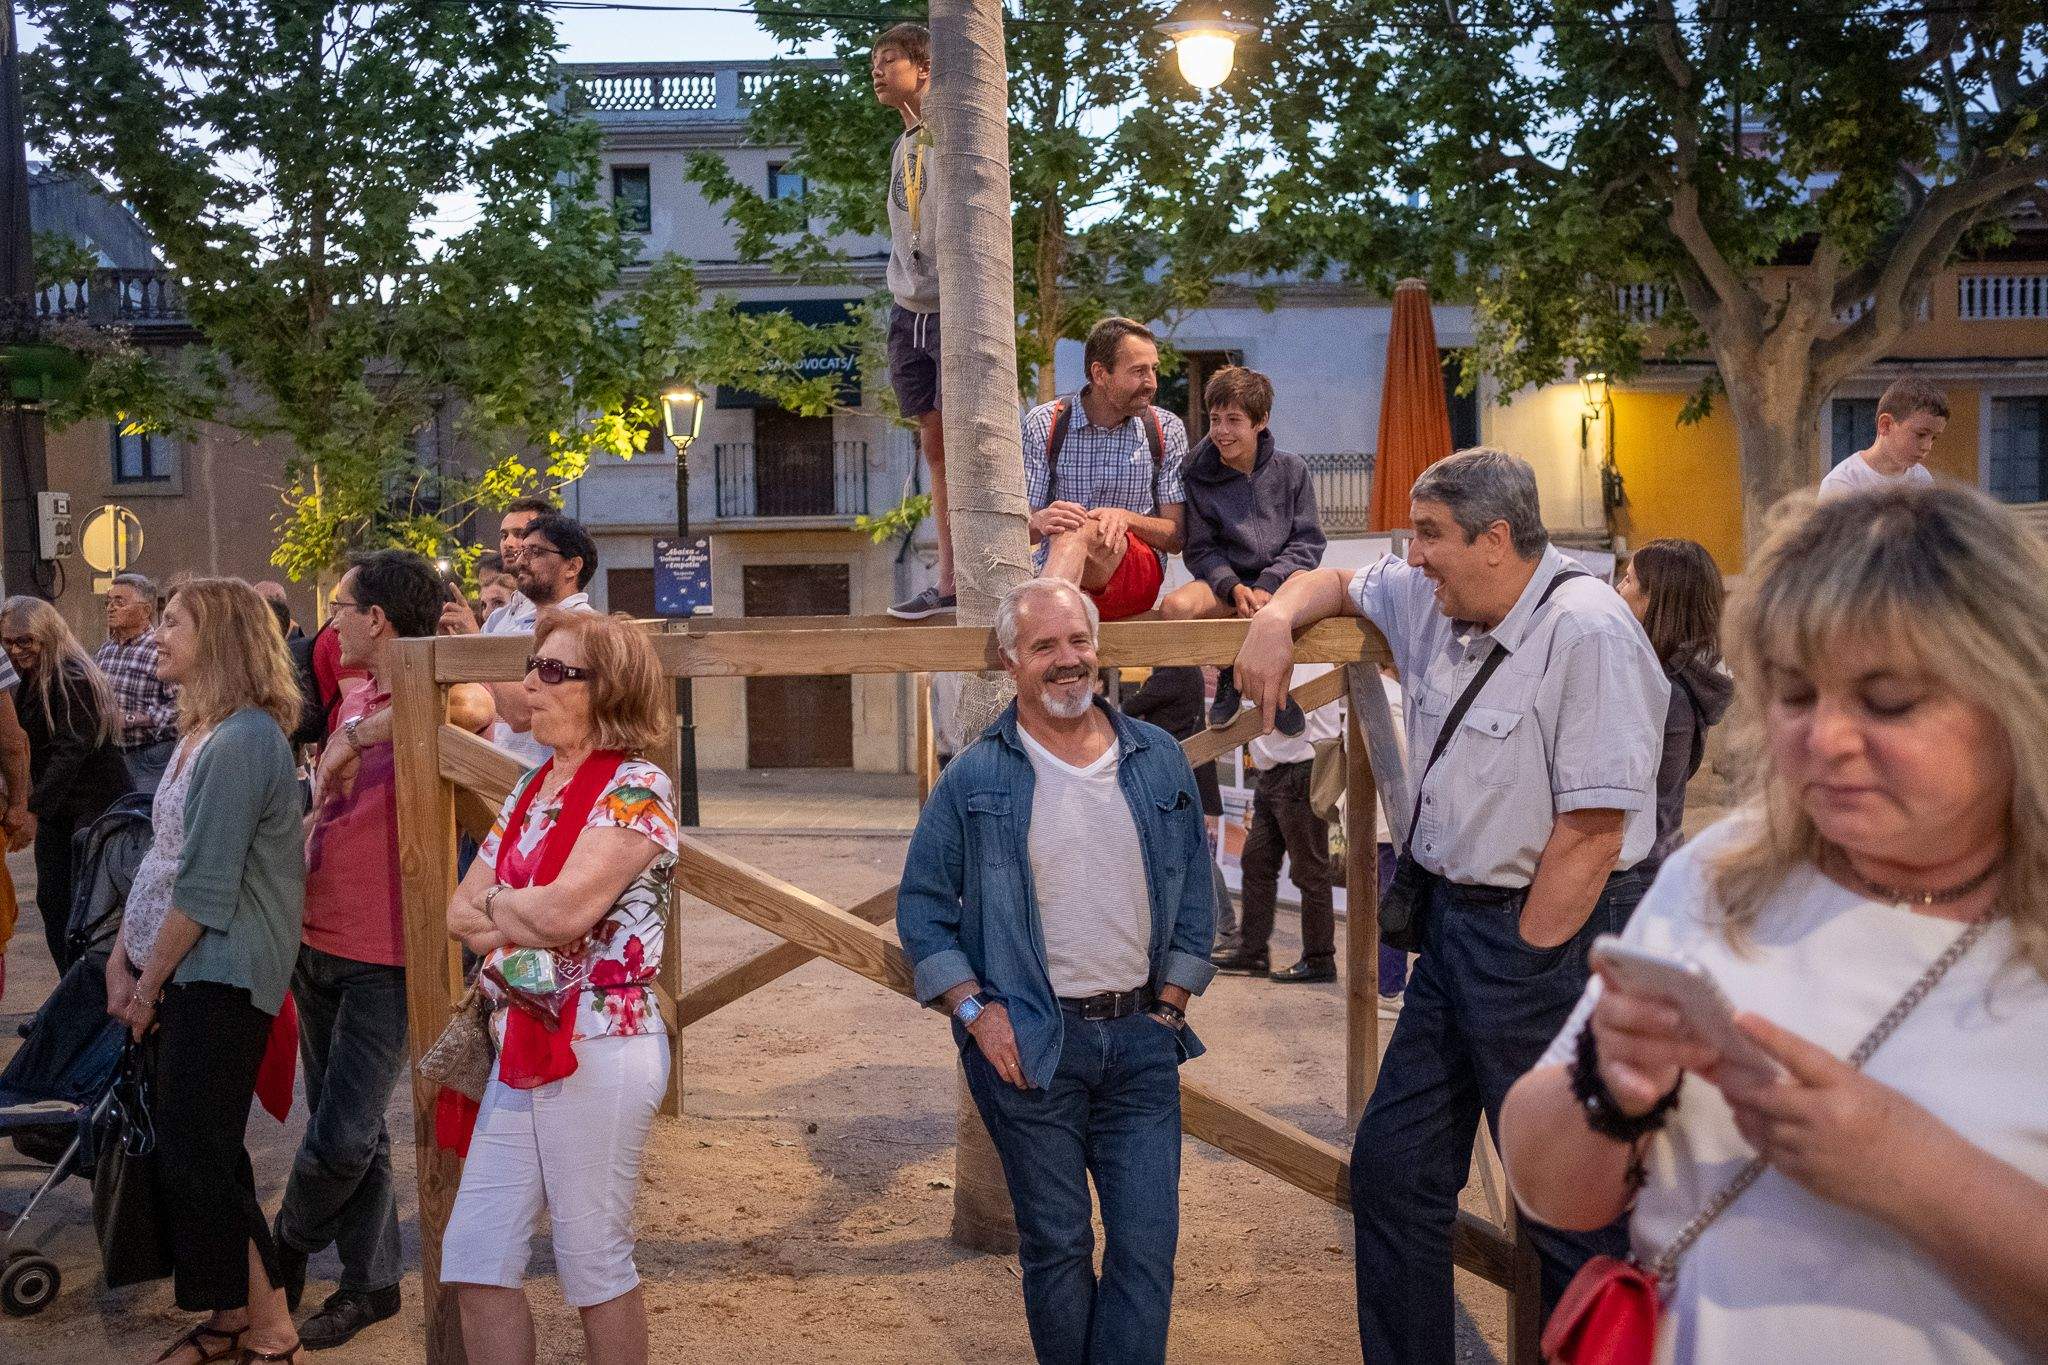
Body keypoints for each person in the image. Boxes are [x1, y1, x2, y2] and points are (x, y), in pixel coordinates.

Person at [1500, 485, 2048, 1362]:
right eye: (1795, 695)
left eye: (1888, 701)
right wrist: (1609, 1084)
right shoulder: (1724, 875)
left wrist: (1913, 1171)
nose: (1825, 739)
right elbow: (1543, 1188)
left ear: (2017, 697)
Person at [1230, 447, 1669, 1362]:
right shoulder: (1440, 597)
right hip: (1456, 932)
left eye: (1429, 534)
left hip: (1551, 939)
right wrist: (1276, 615)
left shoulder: (1587, 630)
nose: (1413, 554)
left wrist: (1523, 962)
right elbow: (1339, 579)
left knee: (1567, 1206)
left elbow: (1591, 833)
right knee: (1394, 1173)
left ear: (1497, 538)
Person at [898, 577, 1216, 1365]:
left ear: (1097, 647)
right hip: (1030, 1047)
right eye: (1045, 646)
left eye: (1077, 642)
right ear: (1012, 661)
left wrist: (1170, 1008)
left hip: (1143, 1041)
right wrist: (978, 1013)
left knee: (1146, 1247)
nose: (1067, 661)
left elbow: (1199, 893)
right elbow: (922, 909)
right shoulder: (976, 777)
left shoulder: (1159, 758)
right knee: (1058, 1245)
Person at [442, 611, 679, 1364]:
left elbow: (566, 911)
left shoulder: (640, 786)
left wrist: (503, 912)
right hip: (524, 1040)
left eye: (553, 671)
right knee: (476, 1255)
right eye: (531, 664)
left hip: (602, 1042)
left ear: (604, 689)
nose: (528, 684)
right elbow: (459, 910)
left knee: (592, 1258)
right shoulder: (532, 785)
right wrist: (519, 914)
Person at [273, 551, 494, 1349]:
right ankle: (370, 1285)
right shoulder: (357, 689)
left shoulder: (438, 685)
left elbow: (473, 705)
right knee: (352, 1135)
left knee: (341, 1134)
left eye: (342, 606)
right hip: (317, 939)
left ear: (380, 619)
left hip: (388, 952)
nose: (331, 619)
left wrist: (357, 736)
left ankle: (283, 1244)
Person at [103, 578, 308, 1365]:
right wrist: (123, 957)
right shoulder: (203, 732)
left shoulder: (247, 737)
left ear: (218, 637)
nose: (157, 634)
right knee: (203, 1152)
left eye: (175, 622)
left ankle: (268, 1329)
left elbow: (207, 884)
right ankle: (240, 1317)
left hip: (224, 971)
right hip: (180, 966)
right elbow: (162, 862)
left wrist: (148, 982)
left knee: (201, 1151)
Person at [1159, 366, 1323, 733]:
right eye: (1215, 420)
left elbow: (1308, 542)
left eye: (1234, 420)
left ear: (1260, 421)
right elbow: (1199, 549)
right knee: (1175, 607)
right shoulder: (1196, 475)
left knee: (1294, 589)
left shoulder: (1292, 469)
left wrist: (1267, 583)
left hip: (1281, 582)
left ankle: (1272, 691)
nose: (1221, 431)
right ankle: (1230, 670)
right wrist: (1233, 586)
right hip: (1226, 584)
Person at [1021, 317, 1188, 622]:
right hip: (1061, 570)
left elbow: (1176, 536)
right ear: (1100, 373)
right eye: (1139, 371)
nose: (1152, 382)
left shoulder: (1166, 428)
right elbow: (1023, 534)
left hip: (1134, 574)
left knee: (1077, 529)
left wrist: (1125, 518)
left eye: (1153, 369)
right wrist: (1043, 520)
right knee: (1066, 528)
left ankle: (1042, 624)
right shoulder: (1045, 424)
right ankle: (1055, 618)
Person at [1, 595, 133, 976]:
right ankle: (71, 991)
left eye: (25, 640)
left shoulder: (72, 676)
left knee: (84, 909)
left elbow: (69, 752)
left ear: (48, 635)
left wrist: (29, 805)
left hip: (92, 808)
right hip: (62, 811)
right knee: (54, 902)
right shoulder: (28, 679)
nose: (15, 649)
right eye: (8, 641)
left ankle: (86, 993)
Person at [872, 24, 955, 622]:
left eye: (889, 59)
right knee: (933, 444)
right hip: (909, 311)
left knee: (961, 444)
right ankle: (947, 577)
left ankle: (960, 576)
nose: (876, 70)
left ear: (924, 68)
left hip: (953, 312)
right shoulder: (904, 146)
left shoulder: (951, 135)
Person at [1211, 663, 1343, 983]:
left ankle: (1320, 958)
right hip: (1272, 773)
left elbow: (1292, 726)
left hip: (1300, 769)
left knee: (1309, 870)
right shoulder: (1260, 655)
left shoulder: (1309, 656)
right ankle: (1253, 950)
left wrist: (1251, 707)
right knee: (1256, 861)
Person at [1616, 539, 1732, 868]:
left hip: (1637, 870)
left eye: (1628, 580)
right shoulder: (1668, 679)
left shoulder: (1668, 693)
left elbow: (1640, 795)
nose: (1617, 589)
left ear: (1656, 600)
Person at [1119, 664, 1235, 950]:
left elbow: (1134, 705)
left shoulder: (1175, 670)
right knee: (1188, 850)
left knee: (1192, 851)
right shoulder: (1183, 672)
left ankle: (1225, 926)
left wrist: (1142, 696)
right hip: (1176, 772)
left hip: (1174, 774)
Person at [479, 512, 599, 766]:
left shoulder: (584, 629)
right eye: (522, 552)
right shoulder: (509, 620)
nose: (522, 561)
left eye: (535, 552)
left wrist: (475, 644)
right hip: (506, 782)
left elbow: (522, 714)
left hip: (560, 785)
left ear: (572, 567)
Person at [96, 572, 181, 793]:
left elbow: (183, 707)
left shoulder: (160, 649)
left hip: (151, 757)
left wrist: (132, 719)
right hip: (113, 757)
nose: (110, 608)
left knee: (144, 819)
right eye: (109, 602)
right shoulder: (106, 650)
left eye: (120, 602)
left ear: (145, 610)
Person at [438, 496, 556, 637]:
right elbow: (478, 658)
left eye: (520, 534)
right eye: (504, 536)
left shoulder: (563, 615)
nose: (508, 543)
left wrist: (473, 637)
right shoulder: (497, 619)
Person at [1818, 375, 1946, 500]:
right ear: (1886, 425)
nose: (1927, 447)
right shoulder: (1842, 482)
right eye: (1921, 434)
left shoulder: (1922, 479)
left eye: (1933, 438)